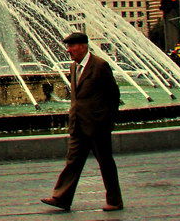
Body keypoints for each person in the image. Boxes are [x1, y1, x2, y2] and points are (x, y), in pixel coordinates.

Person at [41, 32, 123, 212]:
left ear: (83, 46)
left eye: (71, 46)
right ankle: (61, 198)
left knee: (105, 163)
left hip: (97, 125)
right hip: (78, 124)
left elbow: (113, 95)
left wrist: (106, 121)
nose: (68, 50)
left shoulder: (100, 65)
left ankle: (115, 201)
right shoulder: (73, 67)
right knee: (72, 162)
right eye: (68, 46)